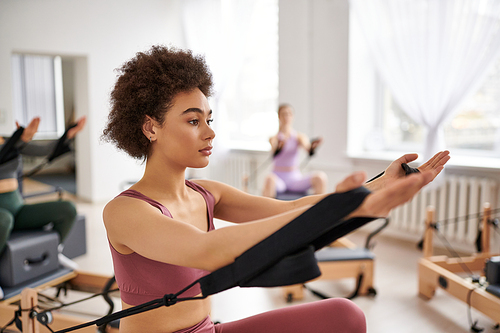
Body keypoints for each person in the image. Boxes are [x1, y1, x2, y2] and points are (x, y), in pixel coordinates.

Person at [101, 45, 450, 333]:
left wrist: (377, 187)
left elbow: (287, 210)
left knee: (346, 316)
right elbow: (207, 250)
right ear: (150, 127)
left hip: (208, 330)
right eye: (193, 121)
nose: (209, 132)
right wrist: (346, 205)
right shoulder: (125, 211)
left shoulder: (206, 193)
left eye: (210, 119)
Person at [0, 116, 86, 298]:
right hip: (2, 215)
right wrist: (20, 140)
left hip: (17, 208)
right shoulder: (13, 143)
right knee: (4, 220)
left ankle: (55, 251)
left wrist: (68, 135)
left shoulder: (10, 141)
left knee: (67, 209)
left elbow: (45, 151)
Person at [262, 103, 327, 198]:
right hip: (278, 179)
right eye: (284, 114)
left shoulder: (299, 137)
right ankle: (267, 212)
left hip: (294, 178)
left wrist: (313, 147)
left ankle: (320, 211)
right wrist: (280, 145)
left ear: (293, 116)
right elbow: (274, 149)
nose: (287, 117)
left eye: (289, 114)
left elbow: (308, 148)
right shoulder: (274, 138)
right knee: (269, 179)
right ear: (279, 116)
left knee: (320, 177)